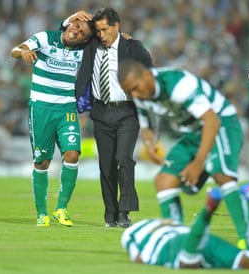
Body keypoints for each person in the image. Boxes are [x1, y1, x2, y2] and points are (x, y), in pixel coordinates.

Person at [118, 60, 247, 248]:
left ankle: (247, 238)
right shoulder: (140, 94)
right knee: (163, 180)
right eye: (130, 92)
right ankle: (176, 237)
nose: (135, 95)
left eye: (136, 88)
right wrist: (150, 143)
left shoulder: (178, 85)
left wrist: (198, 163)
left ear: (146, 75)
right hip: (192, 133)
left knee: (222, 175)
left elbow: (211, 120)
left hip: (221, 124)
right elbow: (146, 125)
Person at [64, 8, 153, 228]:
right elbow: (66, 36)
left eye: (105, 29)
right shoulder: (92, 43)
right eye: (98, 30)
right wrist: (72, 19)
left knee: (124, 159)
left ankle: (125, 212)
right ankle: (110, 214)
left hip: (126, 113)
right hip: (101, 113)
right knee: (106, 166)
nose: (101, 34)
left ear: (117, 26)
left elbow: (151, 77)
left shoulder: (133, 47)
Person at [10, 13, 95, 227]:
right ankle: (41, 213)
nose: (76, 30)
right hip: (41, 108)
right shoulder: (45, 38)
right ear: (69, 24)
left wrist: (123, 36)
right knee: (42, 162)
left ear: (85, 40)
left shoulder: (82, 50)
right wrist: (24, 51)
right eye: (76, 25)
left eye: (82, 32)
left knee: (73, 154)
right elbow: (15, 50)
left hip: (66, 108)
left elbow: (107, 38)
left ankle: (61, 208)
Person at [121, 180, 249, 269]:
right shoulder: (172, 224)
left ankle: (208, 209)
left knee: (187, 263)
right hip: (195, 237)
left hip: (173, 245)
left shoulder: (130, 233)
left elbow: (138, 259)